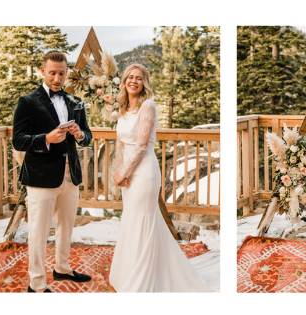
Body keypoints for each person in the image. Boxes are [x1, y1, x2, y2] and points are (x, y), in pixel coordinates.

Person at [108, 64, 211, 292]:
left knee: (143, 219)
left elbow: (142, 145)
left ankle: (145, 278)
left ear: (144, 82)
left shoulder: (148, 106)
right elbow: (121, 143)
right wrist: (120, 173)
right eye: (130, 78)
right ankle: (127, 272)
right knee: (131, 218)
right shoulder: (124, 109)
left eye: (138, 78)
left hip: (144, 172)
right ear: (124, 81)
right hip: (128, 174)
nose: (133, 81)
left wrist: (125, 172)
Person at [12, 50, 93, 293]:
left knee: (66, 227)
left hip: (70, 176)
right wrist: (46, 138)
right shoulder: (27, 102)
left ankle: (63, 268)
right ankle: (36, 285)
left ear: (66, 72)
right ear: (42, 72)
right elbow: (18, 140)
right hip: (40, 178)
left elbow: (87, 136)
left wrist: (80, 135)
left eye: (61, 73)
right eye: (52, 73)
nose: (57, 79)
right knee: (38, 233)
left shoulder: (74, 101)